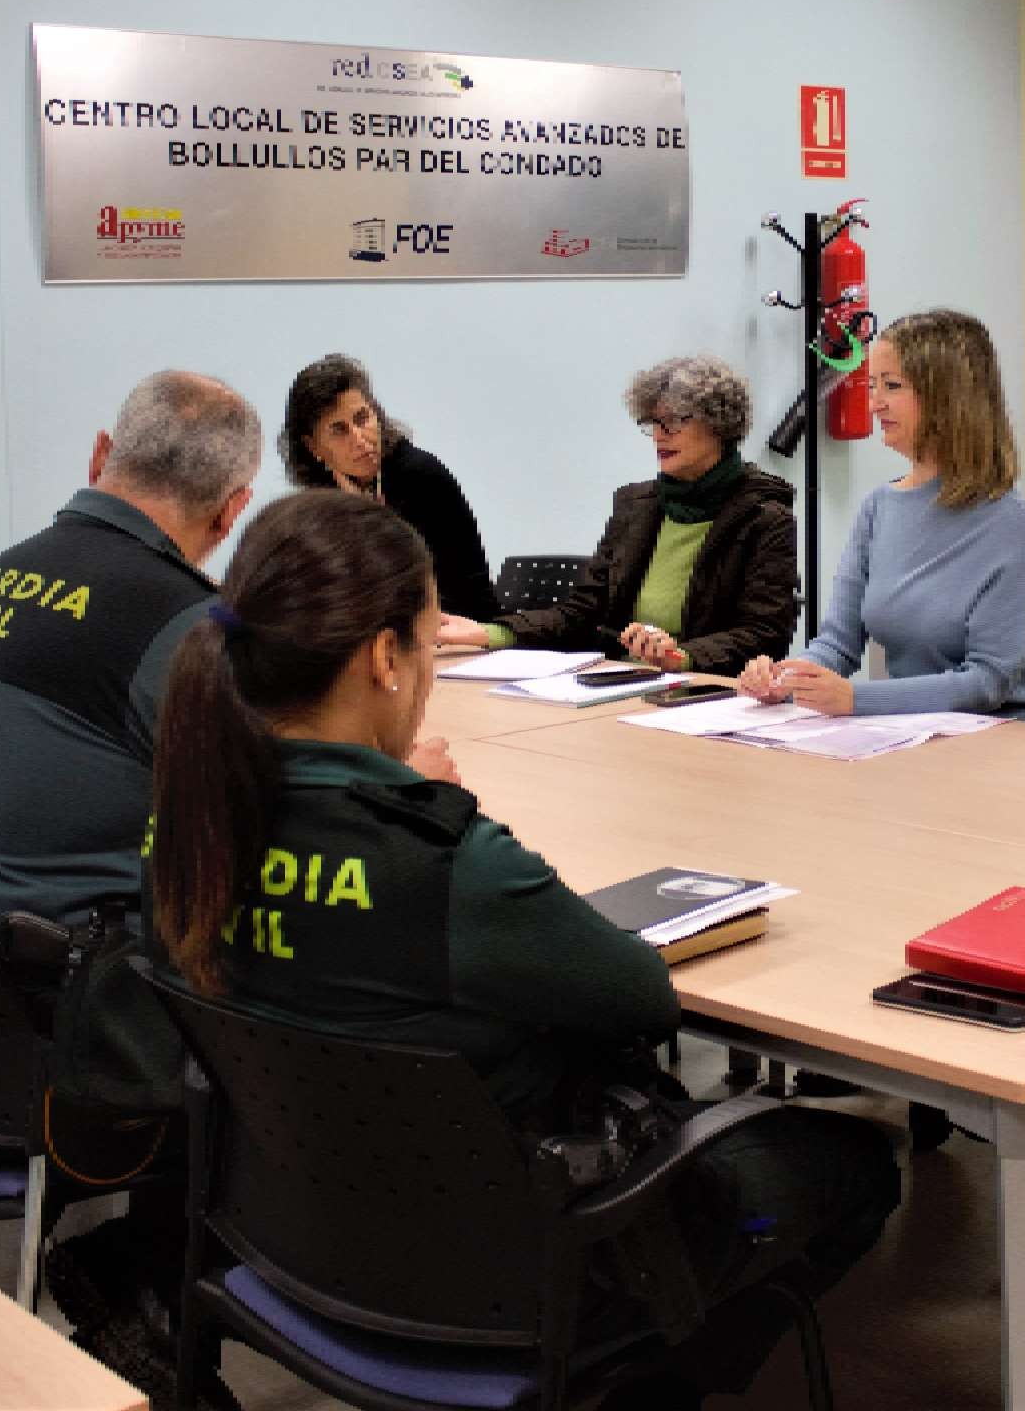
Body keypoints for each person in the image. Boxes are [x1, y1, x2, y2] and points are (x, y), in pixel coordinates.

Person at [149, 490, 899, 1410]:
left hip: (294, 1236)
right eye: (426, 645)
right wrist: (425, 809)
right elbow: (640, 999)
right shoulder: (442, 863)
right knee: (852, 1169)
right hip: (516, 1267)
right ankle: (642, 1390)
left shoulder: (188, 826)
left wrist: (390, 787)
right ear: (384, 659)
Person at [0, 370, 265, 943]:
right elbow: (275, 806)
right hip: (61, 991)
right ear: (233, 510)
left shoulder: (10, 567)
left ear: (100, 454)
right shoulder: (182, 622)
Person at [739, 307, 1025, 721]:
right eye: (872, 386)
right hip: (906, 732)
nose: (874, 404)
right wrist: (786, 680)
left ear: (947, 398)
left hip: (999, 734)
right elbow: (837, 645)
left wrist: (857, 700)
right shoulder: (879, 508)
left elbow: (989, 681)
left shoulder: (1015, 523)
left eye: (891, 386)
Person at [436, 354, 798, 674]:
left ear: (719, 424)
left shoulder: (764, 517)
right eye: (652, 423)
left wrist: (681, 657)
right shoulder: (636, 507)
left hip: (705, 693)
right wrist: (489, 632)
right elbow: (581, 613)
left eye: (673, 422)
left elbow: (762, 634)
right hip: (624, 684)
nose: (659, 435)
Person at [277, 352, 500, 620]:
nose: (359, 439)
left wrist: (367, 520)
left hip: (458, 629)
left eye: (362, 418)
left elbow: (409, 589)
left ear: (377, 414)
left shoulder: (417, 475)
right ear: (313, 447)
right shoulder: (324, 497)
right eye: (339, 429)